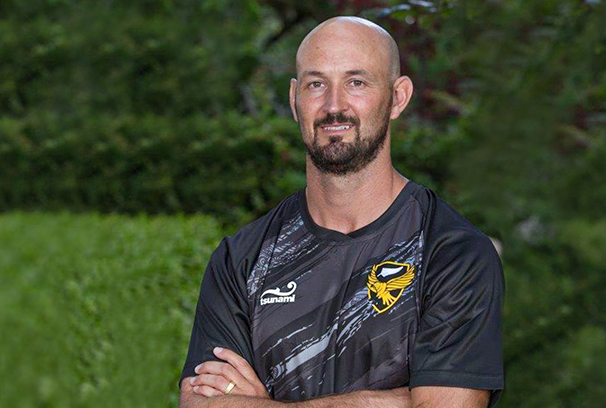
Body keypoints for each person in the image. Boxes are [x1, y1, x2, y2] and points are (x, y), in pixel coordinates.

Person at [179, 16, 504, 408]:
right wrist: (401, 400)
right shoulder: (241, 259)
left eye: (357, 82)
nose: (334, 106)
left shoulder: (451, 252)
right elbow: (200, 402)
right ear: (294, 99)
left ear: (397, 97)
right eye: (316, 84)